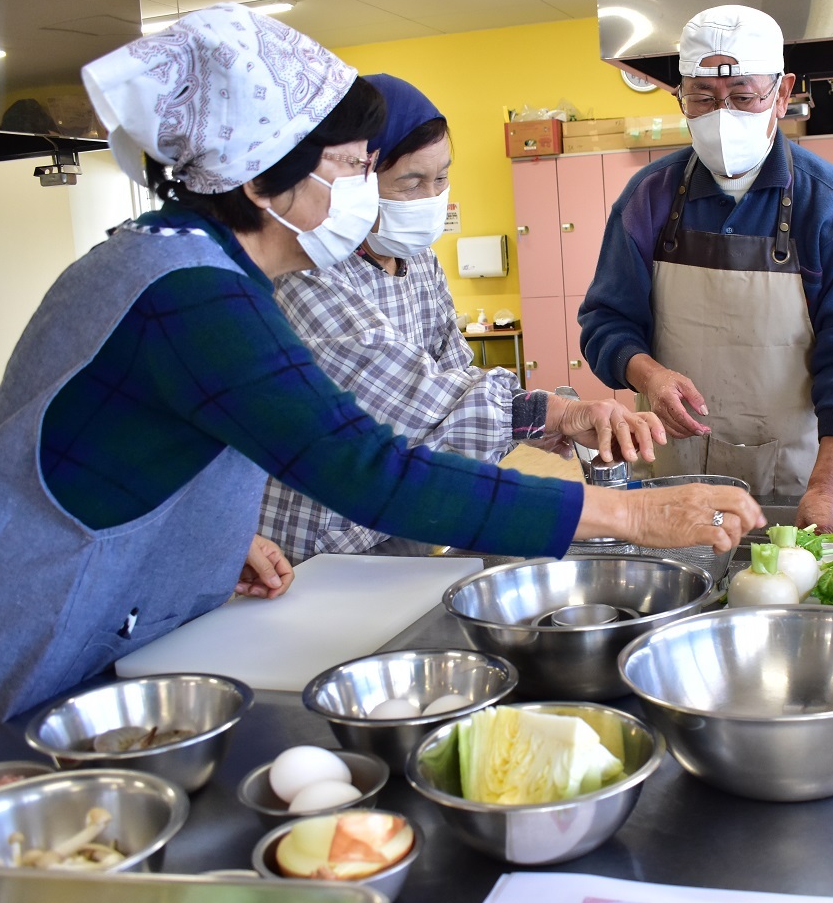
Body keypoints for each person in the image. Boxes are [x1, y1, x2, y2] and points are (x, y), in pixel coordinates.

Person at [0, 5, 761, 772]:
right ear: (260, 177)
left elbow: (129, 444)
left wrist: (209, 531)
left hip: (75, 633)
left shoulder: (194, 265)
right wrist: (636, 519)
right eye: (355, 168)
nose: (373, 196)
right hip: (8, 652)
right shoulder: (192, 296)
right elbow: (369, 469)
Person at [260, 74, 663, 562]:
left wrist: (543, 424)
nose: (432, 196)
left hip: (400, 508)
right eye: (411, 182)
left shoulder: (419, 262)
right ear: (356, 181)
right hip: (323, 537)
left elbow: (455, 374)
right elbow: (411, 398)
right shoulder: (308, 271)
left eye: (442, 178)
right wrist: (553, 414)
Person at [578, 4, 833, 530]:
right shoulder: (648, 198)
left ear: (783, 92)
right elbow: (606, 322)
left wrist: (826, 484)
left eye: (743, 97)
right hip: (673, 476)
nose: (722, 115)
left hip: (793, 480)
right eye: (702, 98)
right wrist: (648, 375)